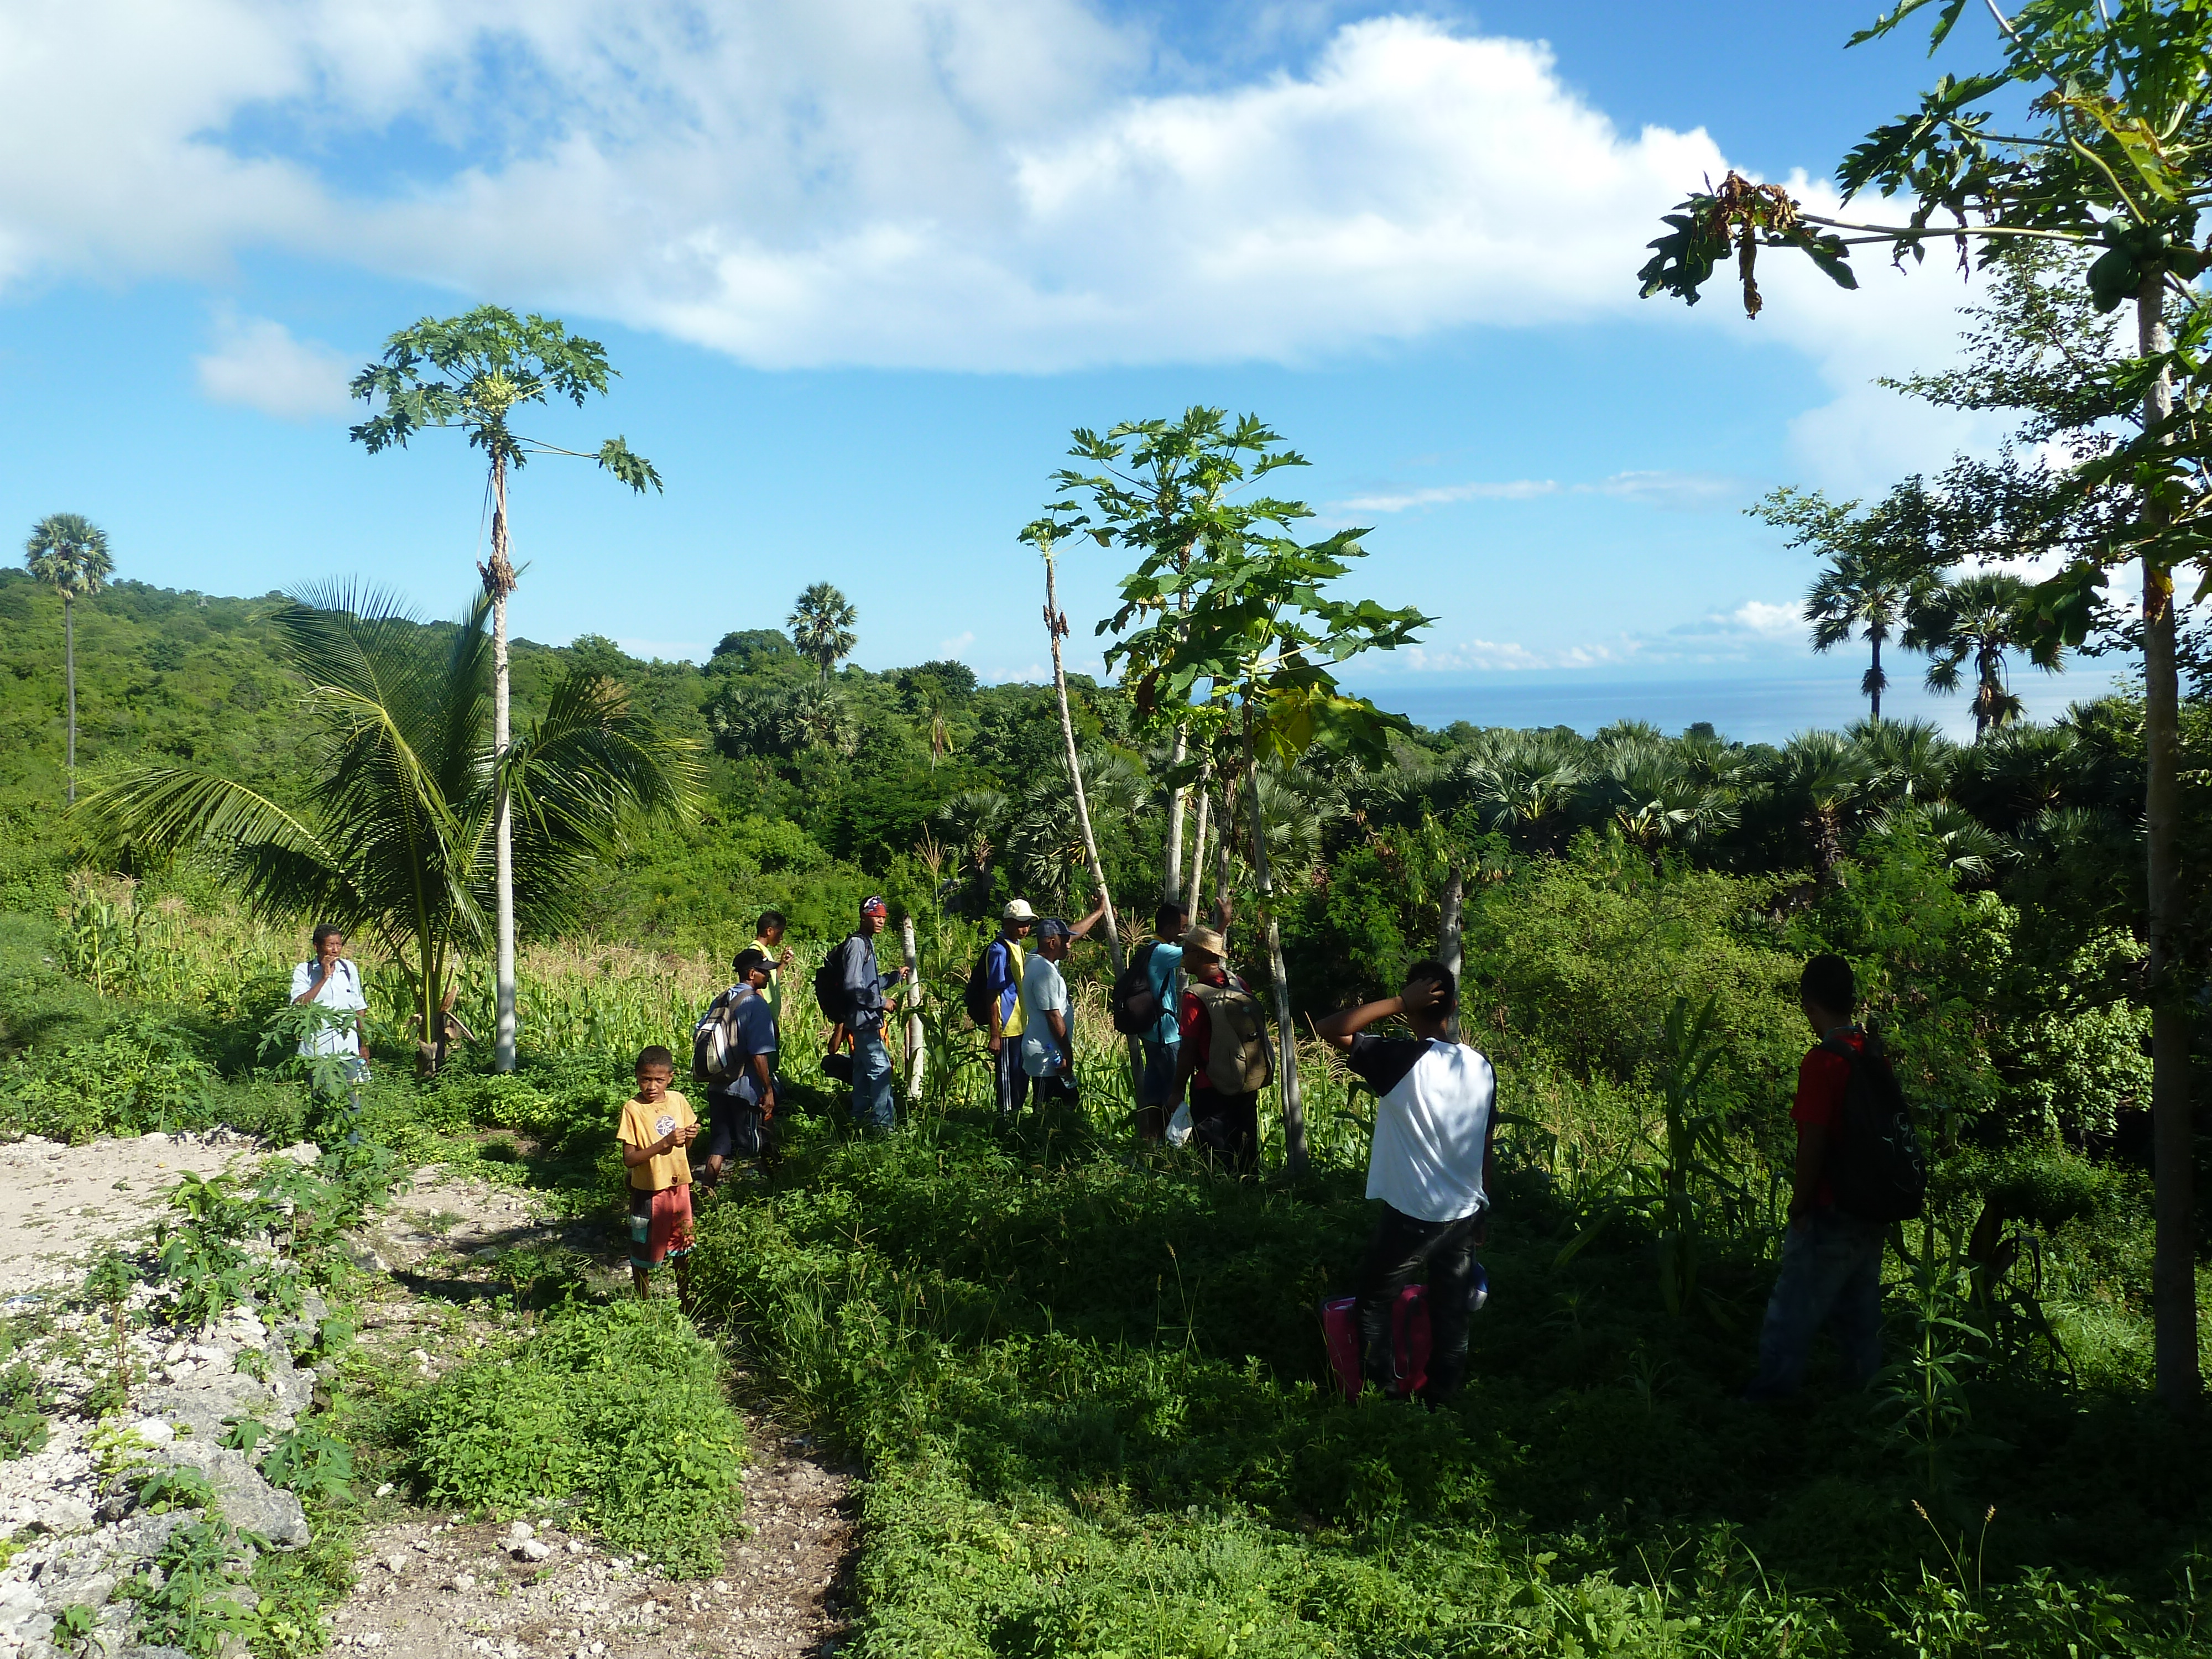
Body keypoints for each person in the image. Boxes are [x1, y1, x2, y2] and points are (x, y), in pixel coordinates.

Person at [1316, 962, 1498, 1406]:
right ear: (1453, 1007)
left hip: (1415, 1213)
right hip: (1464, 1211)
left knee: (1374, 1302)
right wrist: (1484, 1208)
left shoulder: (1399, 1060)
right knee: (1451, 1312)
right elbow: (1484, 1144)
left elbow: (1328, 1028)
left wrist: (1399, 1002)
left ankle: (1385, 1398)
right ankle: (1442, 1401)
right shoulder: (1480, 1066)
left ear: (1411, 1008)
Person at [1744, 953, 1887, 1402]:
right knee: (1861, 1315)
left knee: (1791, 1310)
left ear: (1809, 1005)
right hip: (1873, 1203)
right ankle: (1865, 1402)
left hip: (1830, 1207)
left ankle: (1769, 1402)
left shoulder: (1823, 1061)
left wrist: (1799, 1205)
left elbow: (1813, 1143)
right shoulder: (1872, 1052)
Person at [1173, 926, 1266, 1174]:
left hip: (1211, 1086)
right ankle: (1249, 1191)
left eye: (1186, 951)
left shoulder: (1195, 995)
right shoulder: (1239, 984)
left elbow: (1188, 1049)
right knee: (1245, 1151)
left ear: (1200, 956)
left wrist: (1177, 1091)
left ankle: (1217, 1194)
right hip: (1245, 1081)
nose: (1183, 957)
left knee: (1213, 1157)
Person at [618, 1045, 698, 1309]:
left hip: (679, 1186)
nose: (652, 1086)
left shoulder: (677, 1101)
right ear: (637, 1077)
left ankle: (686, 1300)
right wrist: (664, 1143)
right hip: (648, 1190)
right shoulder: (633, 1109)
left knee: (682, 1244)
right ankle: (644, 1305)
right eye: (645, 1079)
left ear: (670, 1078)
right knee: (644, 1249)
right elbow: (630, 1159)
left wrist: (688, 1138)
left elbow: (684, 1148)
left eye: (659, 1080)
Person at [1016, 898, 1109, 1120]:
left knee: (1059, 1107)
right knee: (1055, 1110)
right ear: (1052, 943)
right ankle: (1044, 1142)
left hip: (1048, 1052)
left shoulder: (1038, 958)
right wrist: (1068, 1054)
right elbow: (1053, 1016)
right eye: (1065, 941)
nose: (1069, 944)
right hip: (1048, 1054)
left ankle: (1049, 1139)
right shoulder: (1044, 973)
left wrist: (1099, 913)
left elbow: (1074, 934)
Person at [831, 895, 909, 1134]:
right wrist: (882, 1002)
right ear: (864, 917)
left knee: (863, 1073)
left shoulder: (866, 943)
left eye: (883, 917)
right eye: (876, 916)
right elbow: (853, 986)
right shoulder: (857, 944)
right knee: (881, 1070)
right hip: (863, 1022)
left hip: (864, 1021)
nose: (881, 921)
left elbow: (870, 983)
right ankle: (883, 1127)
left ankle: (859, 1123)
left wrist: (894, 977)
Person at [701, 948, 778, 1187]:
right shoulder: (756, 1004)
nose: (768, 976)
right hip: (744, 1087)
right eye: (764, 972)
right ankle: (750, 1196)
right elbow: (759, 1053)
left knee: (719, 1144)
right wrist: (768, 1090)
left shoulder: (721, 999)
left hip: (717, 1083)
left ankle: (707, 1190)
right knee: (751, 1146)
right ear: (752, 974)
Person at [1134, 901, 1188, 1142]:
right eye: (1183, 927)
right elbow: (1199, 952)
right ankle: (1173, 1144)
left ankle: (1152, 1142)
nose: (1185, 933)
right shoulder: (1164, 952)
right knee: (1173, 1093)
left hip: (1151, 1033)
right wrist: (1223, 925)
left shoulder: (1150, 948)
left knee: (1154, 1094)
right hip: (1166, 1036)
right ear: (1169, 928)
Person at [984, 899, 1036, 1129]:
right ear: (1008, 922)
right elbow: (992, 993)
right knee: (1007, 1085)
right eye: (1021, 923)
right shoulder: (999, 950)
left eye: (1028, 923)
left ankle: (1016, 1127)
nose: (1025, 928)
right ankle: (1005, 1130)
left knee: (1021, 1082)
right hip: (1007, 1029)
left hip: (1021, 1027)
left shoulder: (1018, 947)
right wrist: (995, 1034)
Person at [750, 910, 794, 1026]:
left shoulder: (764, 951)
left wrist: (783, 963)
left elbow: (771, 980)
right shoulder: (756, 951)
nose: (781, 938)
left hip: (769, 1019)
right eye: (780, 934)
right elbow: (754, 985)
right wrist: (767, 1015)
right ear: (769, 931)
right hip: (764, 1020)